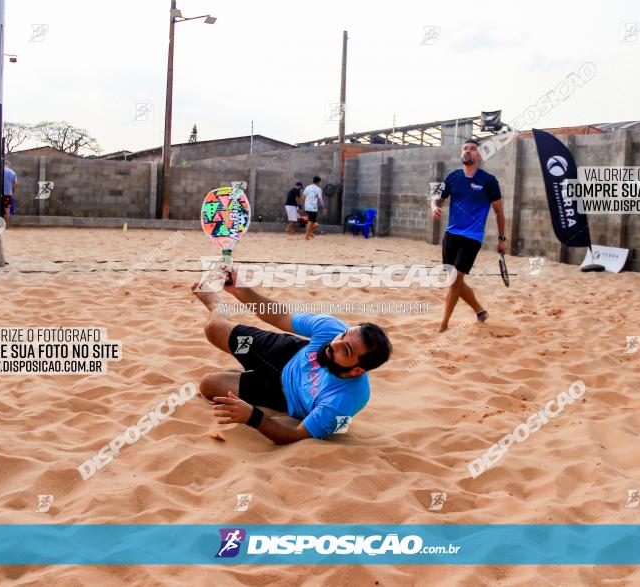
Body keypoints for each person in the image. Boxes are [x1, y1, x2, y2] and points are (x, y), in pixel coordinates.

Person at [191, 270, 392, 444]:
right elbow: (280, 316)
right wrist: (240, 289)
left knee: (208, 385)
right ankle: (217, 305)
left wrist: (253, 417)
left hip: (283, 397)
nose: (335, 343)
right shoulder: (331, 329)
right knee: (213, 329)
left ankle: (246, 376)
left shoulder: (343, 401)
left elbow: (297, 435)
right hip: (287, 354)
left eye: (346, 350)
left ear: (357, 370)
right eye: (344, 335)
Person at [430, 138, 506, 332]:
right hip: (451, 234)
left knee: (456, 279)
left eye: (472, 149)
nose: (468, 151)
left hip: (472, 237)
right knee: (455, 280)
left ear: (479, 155)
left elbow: (499, 211)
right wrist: (434, 207)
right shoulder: (452, 177)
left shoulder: (488, 181)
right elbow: (437, 199)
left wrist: (502, 238)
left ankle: (444, 324)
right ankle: (480, 311)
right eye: (465, 149)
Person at [302, 176, 325, 240]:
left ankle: (310, 233)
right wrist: (324, 207)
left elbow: (303, 196)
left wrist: (305, 204)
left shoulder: (308, 187)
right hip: (313, 207)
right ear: (319, 182)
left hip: (307, 206)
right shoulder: (318, 189)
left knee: (313, 221)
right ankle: (306, 236)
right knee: (311, 221)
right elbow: (320, 199)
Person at [3, 160, 18, 225]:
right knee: (7, 210)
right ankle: (7, 225)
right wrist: (12, 191)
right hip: (7, 194)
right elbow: (16, 183)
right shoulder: (12, 172)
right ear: (8, 165)